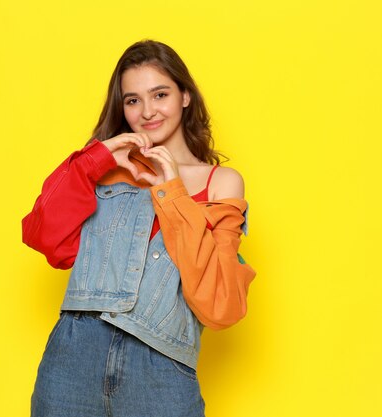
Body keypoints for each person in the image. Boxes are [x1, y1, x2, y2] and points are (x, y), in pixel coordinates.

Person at [22, 39, 256, 417]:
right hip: (73, 361)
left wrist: (173, 191)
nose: (147, 111)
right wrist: (91, 162)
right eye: (132, 100)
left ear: (185, 96)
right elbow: (45, 238)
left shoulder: (221, 183)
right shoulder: (108, 169)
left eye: (159, 94)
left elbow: (221, 307)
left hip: (160, 369)